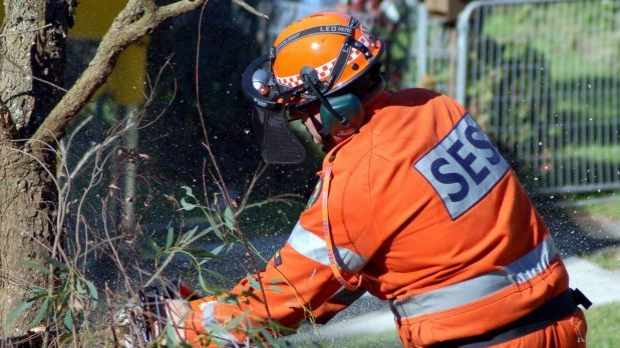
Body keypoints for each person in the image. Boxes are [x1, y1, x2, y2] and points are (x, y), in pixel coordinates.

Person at [163, 11, 590, 347]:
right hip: (560, 323)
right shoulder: (434, 108)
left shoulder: (360, 175)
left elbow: (281, 297)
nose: (300, 122)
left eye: (299, 109)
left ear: (336, 106)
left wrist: (187, 324)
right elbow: (380, 258)